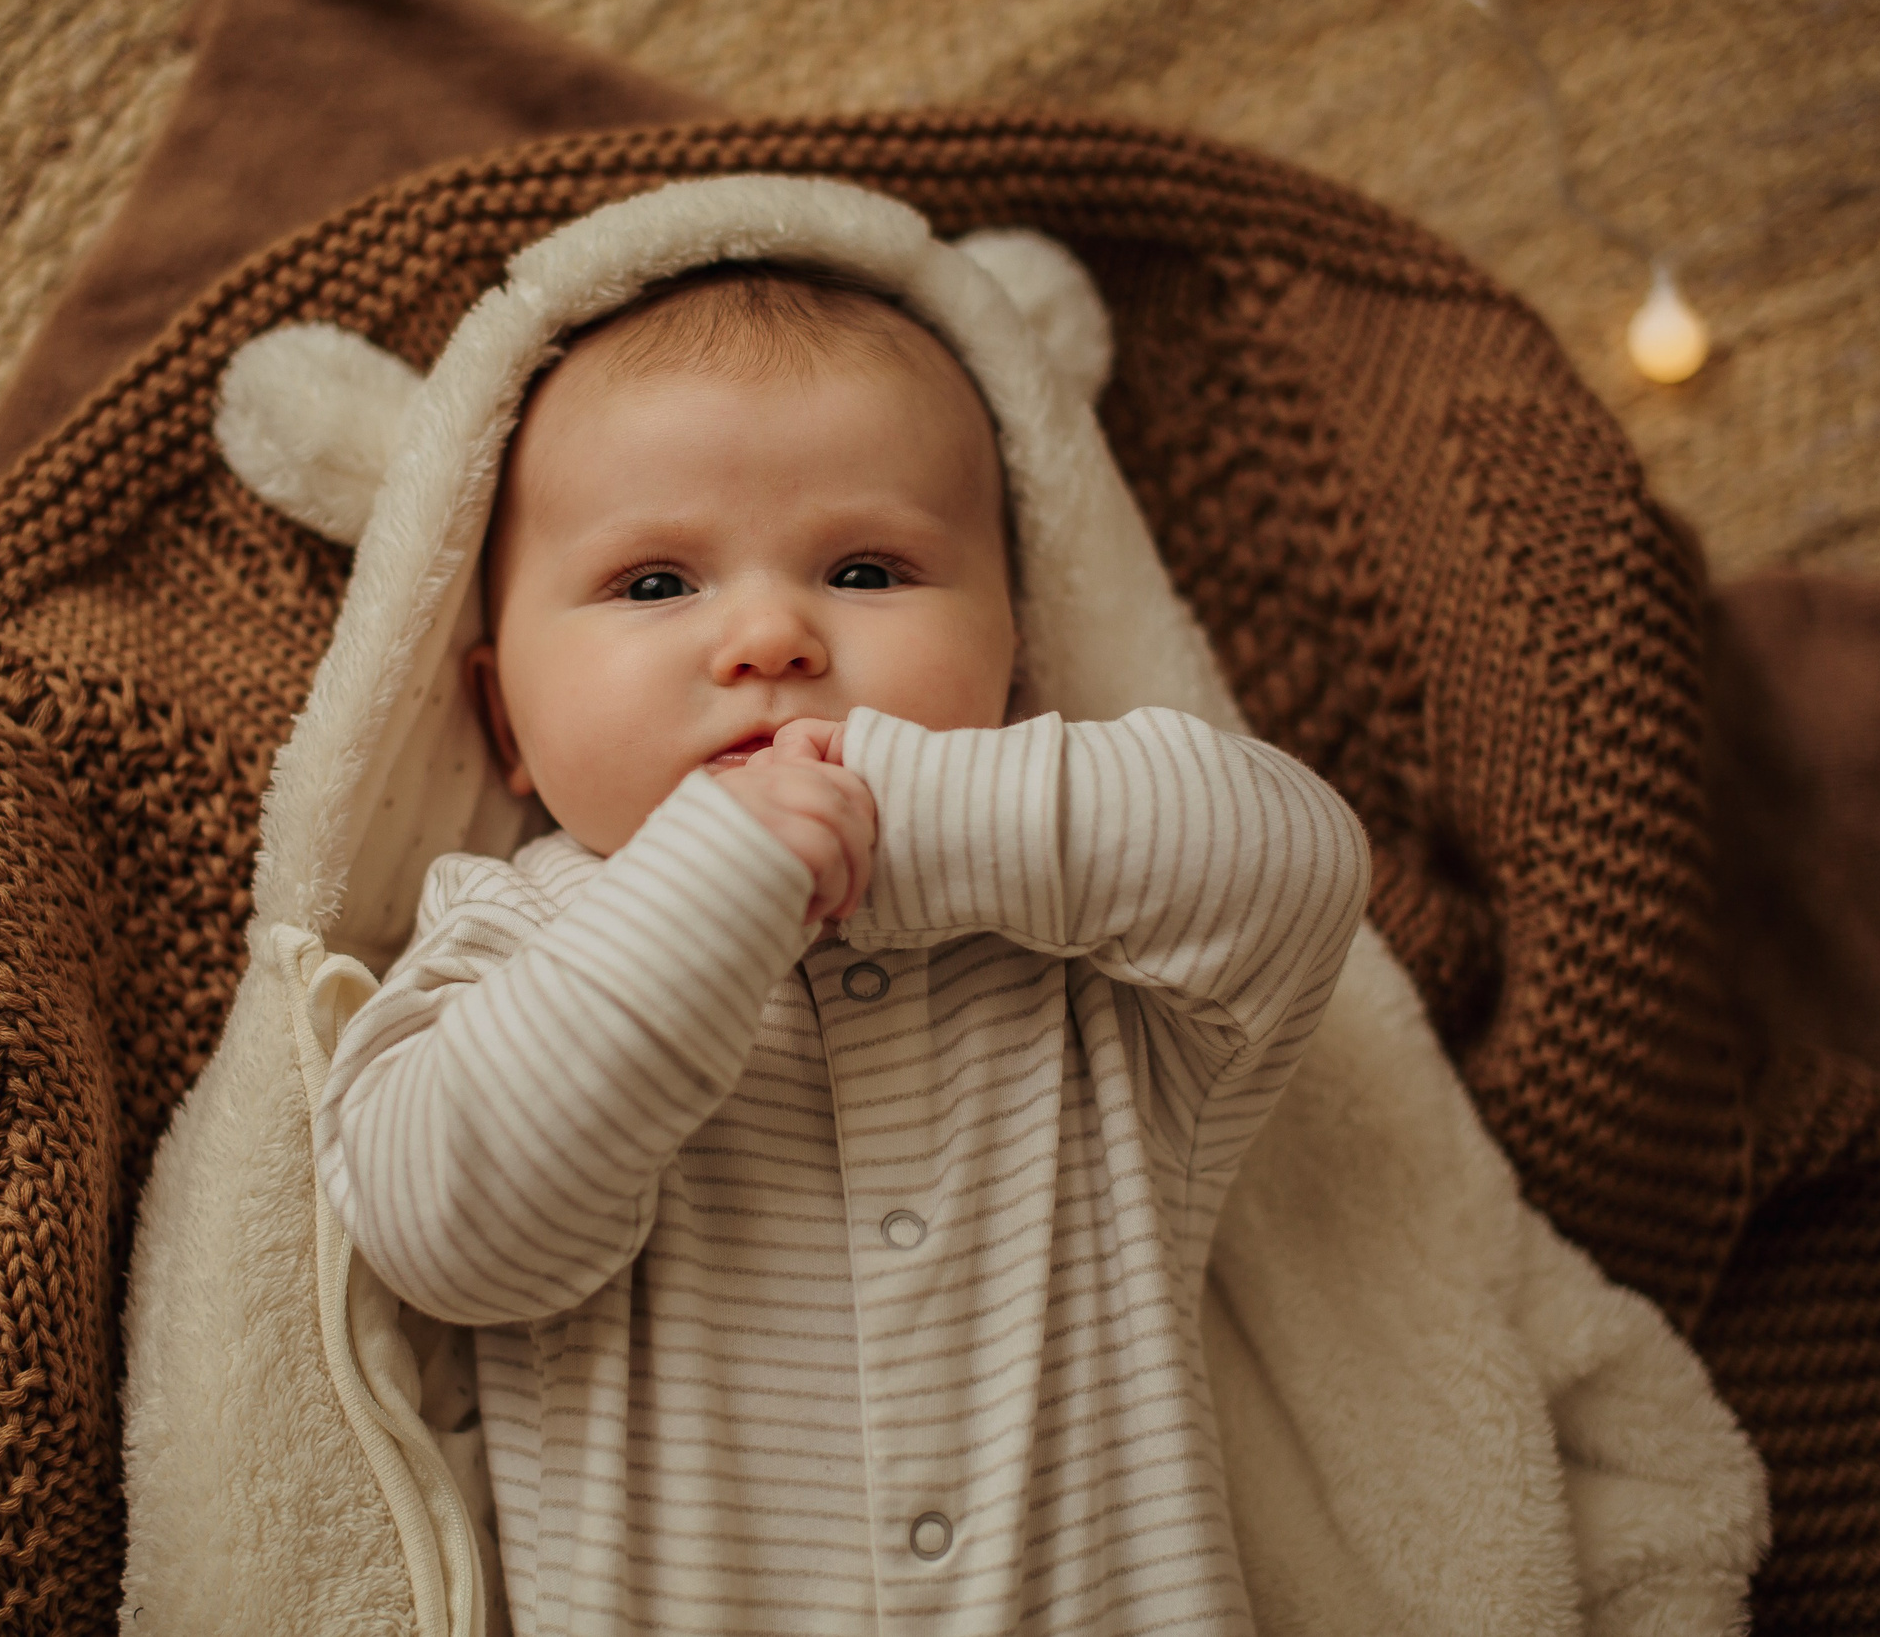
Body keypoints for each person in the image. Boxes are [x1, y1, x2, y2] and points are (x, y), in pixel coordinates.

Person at [320, 261, 1371, 1634]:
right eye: (653, 582)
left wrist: (911, 815)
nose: (769, 636)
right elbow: (443, 1230)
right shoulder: (509, 938)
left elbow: (1295, 858)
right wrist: (717, 884)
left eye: (867, 569)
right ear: (504, 720)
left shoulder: (1093, 983)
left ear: (1015, 654)